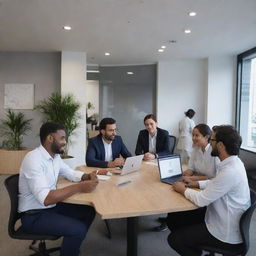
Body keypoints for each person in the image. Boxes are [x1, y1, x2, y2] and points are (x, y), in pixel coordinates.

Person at [167, 125, 250, 256]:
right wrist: (196, 183)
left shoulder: (230, 171)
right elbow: (216, 182)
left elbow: (201, 200)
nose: (210, 143)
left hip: (224, 231)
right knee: (174, 219)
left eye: (212, 140)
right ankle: (195, 247)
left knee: (174, 239)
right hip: (221, 217)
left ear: (221, 146)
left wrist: (182, 189)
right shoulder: (233, 163)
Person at [18, 122, 99, 256]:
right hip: (34, 215)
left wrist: (86, 176)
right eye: (62, 138)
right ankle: (72, 244)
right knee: (78, 229)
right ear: (50, 138)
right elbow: (46, 199)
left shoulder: (54, 157)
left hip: (50, 208)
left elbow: (69, 172)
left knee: (89, 211)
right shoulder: (33, 159)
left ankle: (70, 248)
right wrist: (80, 187)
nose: (65, 142)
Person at [182, 124, 219, 188]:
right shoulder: (196, 149)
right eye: (193, 135)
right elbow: (191, 168)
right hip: (196, 183)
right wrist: (185, 175)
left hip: (209, 186)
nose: (193, 138)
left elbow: (213, 177)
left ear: (206, 137)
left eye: (197, 135)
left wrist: (192, 178)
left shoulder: (214, 151)